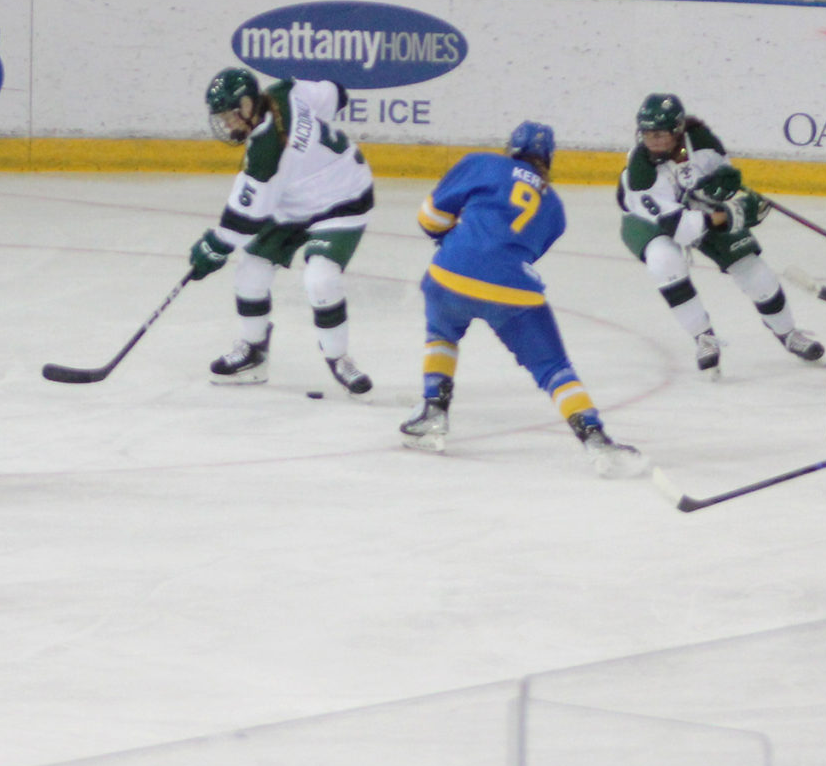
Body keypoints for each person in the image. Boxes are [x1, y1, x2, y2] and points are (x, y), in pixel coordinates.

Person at [405, 121, 645, 477]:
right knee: (553, 368)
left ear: (510, 147)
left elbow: (429, 219)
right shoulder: (556, 209)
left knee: (442, 334)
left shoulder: (481, 164)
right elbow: (526, 252)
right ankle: (593, 437)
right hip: (512, 288)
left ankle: (434, 413)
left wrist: (455, 240)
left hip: (449, 273)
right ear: (548, 159)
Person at [191, 67, 376, 394]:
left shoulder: (266, 152)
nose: (227, 124)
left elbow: (243, 222)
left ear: (248, 104)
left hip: (343, 198)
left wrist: (213, 247)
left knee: (321, 278)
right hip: (294, 202)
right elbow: (337, 92)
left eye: (230, 115)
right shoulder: (286, 91)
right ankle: (254, 352)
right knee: (250, 272)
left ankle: (339, 359)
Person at [616, 92, 823, 375]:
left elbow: (726, 176)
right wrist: (727, 216)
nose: (654, 140)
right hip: (648, 220)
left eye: (661, 133)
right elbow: (681, 229)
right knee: (664, 261)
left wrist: (729, 195)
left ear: (678, 130)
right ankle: (703, 337)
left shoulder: (701, 141)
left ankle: (788, 334)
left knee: (752, 268)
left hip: (696, 208)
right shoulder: (640, 174)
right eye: (648, 134)